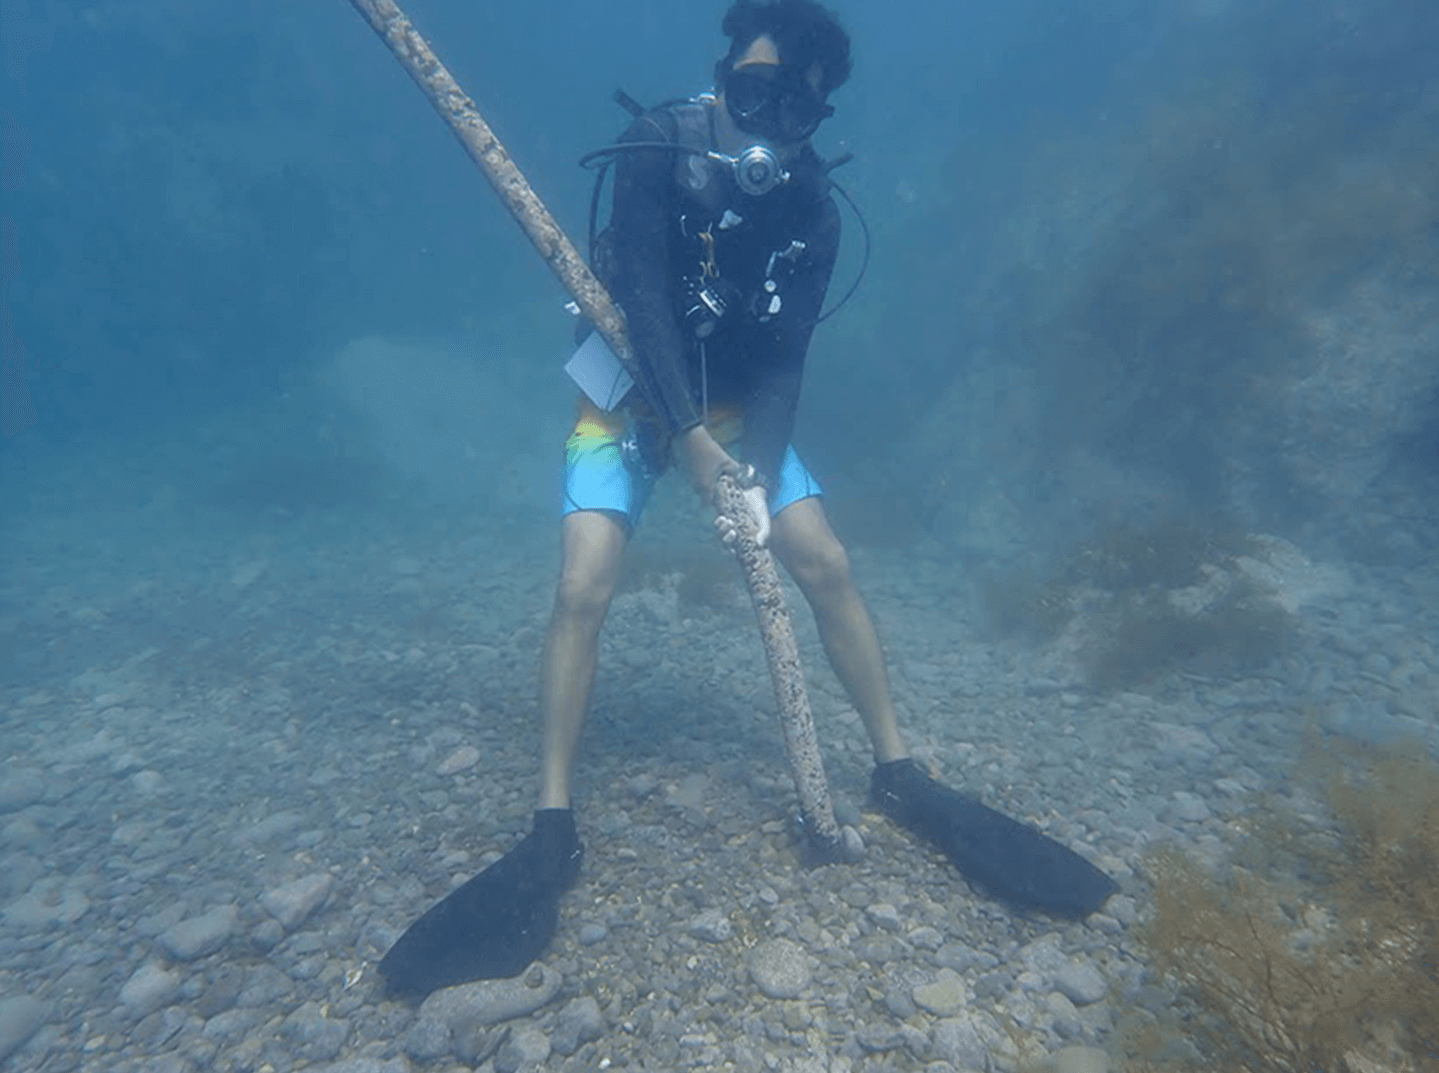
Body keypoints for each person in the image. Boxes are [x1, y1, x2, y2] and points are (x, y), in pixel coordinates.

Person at [379, 0, 1116, 998]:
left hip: (727, 409)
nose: (766, 122)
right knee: (582, 582)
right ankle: (550, 820)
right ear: (721, 72)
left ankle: (898, 772)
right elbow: (636, 290)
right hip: (624, 389)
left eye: (792, 111)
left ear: (817, 118)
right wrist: (679, 436)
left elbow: (781, 362)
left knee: (823, 559)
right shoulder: (653, 146)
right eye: (750, 92)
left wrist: (754, 475)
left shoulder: (810, 208)